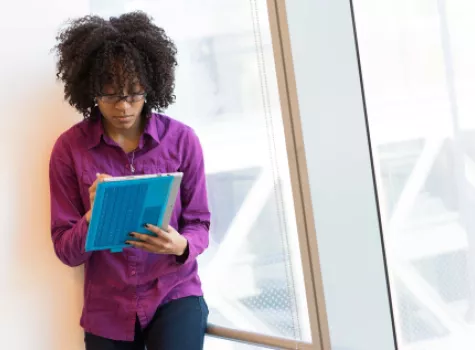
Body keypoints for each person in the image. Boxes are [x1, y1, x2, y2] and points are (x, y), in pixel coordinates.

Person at [49, 11, 210, 350]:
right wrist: (93, 216)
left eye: (134, 93)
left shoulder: (182, 140)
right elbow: (65, 249)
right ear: (91, 90)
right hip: (107, 308)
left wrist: (181, 246)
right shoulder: (69, 149)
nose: (123, 106)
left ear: (151, 86)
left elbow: (199, 223)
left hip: (174, 292)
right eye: (110, 95)